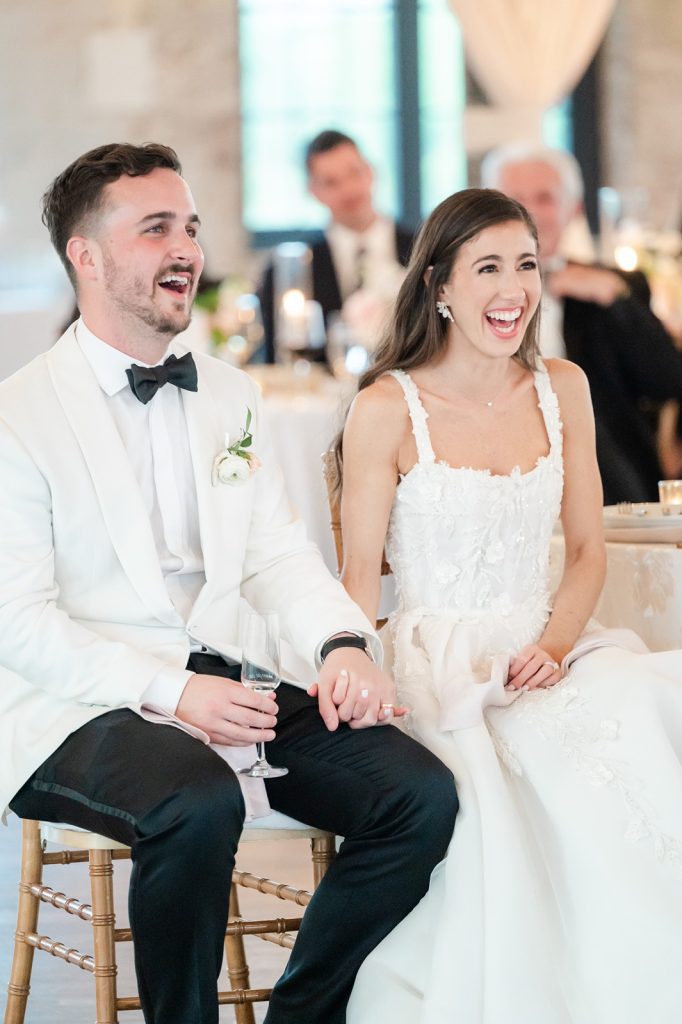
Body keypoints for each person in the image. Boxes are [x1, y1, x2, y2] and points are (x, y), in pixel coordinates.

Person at [0, 142, 458, 1024]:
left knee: (418, 795)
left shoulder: (229, 395)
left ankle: (303, 1012)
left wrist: (341, 645)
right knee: (196, 800)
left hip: (227, 675)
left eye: (192, 227)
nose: (186, 249)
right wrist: (171, 693)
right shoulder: (18, 417)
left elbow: (277, 559)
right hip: (71, 702)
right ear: (85, 257)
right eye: (155, 228)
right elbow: (17, 623)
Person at [336, 188, 682, 1023]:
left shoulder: (562, 386)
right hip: (442, 666)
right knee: (536, 776)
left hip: (551, 645)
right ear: (439, 288)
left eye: (525, 265)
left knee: (644, 706)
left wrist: (557, 645)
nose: (513, 289)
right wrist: (354, 671)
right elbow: (354, 581)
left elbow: (590, 550)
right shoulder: (386, 408)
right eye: (487, 267)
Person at [481, 142, 682, 504]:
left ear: (572, 209)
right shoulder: (467, 292)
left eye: (544, 198)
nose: (528, 211)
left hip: (604, 472)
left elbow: (668, 377)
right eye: (515, 198)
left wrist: (616, 299)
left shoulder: (613, 285)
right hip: (490, 463)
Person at [257, 129, 414, 362]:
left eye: (354, 173)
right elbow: (275, 354)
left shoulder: (422, 245)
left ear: (371, 172)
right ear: (314, 191)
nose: (348, 189)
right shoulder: (294, 267)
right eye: (331, 182)